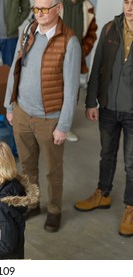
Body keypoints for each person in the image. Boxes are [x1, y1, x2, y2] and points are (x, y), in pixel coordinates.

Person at [4, 0, 81, 232]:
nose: (40, 13)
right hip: (21, 112)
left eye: (45, 8)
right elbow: (14, 69)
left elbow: (71, 88)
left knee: (52, 169)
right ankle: (33, 203)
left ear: (58, 8)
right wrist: (10, 106)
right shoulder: (28, 32)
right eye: (36, 9)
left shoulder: (70, 41)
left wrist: (64, 125)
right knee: (27, 166)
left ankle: (54, 210)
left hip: (50, 120)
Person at [74, 0, 133, 237]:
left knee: (132, 162)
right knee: (106, 154)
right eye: (127, 2)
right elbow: (97, 65)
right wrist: (90, 102)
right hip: (108, 108)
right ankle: (103, 194)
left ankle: (131, 206)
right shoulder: (110, 28)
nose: (130, 7)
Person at [60, 0, 98, 142]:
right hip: (56, 55)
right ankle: (50, 125)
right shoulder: (57, 3)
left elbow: (92, 33)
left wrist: (82, 51)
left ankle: (65, 127)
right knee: (53, 90)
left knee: (71, 93)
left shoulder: (87, 7)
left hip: (76, 59)